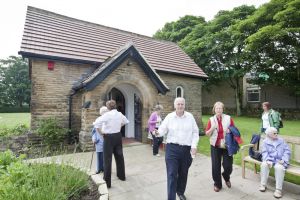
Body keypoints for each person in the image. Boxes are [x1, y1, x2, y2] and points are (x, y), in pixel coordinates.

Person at [156, 97, 199, 200]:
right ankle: (171, 198)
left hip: (186, 150)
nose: (180, 106)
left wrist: (194, 146)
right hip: (172, 149)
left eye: (182, 104)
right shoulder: (170, 117)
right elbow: (162, 129)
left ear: (184, 105)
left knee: (183, 173)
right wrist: (158, 132)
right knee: (171, 174)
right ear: (174, 105)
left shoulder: (190, 117)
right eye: (178, 104)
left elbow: (195, 132)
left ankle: (180, 192)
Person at [93, 100, 129, 188]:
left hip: (108, 137)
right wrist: (119, 127)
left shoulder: (107, 115)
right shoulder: (120, 114)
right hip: (118, 136)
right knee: (119, 156)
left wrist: (101, 133)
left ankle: (107, 182)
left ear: (108, 107)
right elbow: (126, 121)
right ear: (115, 106)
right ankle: (121, 176)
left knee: (107, 159)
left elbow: (96, 124)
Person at [205, 101, 235, 192]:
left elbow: (234, 129)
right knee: (215, 166)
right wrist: (212, 128)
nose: (218, 110)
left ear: (223, 109)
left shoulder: (228, 118)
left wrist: (231, 130)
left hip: (227, 145)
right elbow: (207, 134)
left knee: (228, 166)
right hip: (215, 145)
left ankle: (226, 176)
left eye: (220, 108)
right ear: (214, 110)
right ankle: (217, 184)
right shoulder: (211, 119)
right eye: (217, 108)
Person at [259, 127, 291, 198]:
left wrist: (284, 160)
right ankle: (263, 185)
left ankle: (278, 190)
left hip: (280, 160)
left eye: (277, 133)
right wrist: (267, 160)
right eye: (274, 133)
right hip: (270, 159)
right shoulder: (265, 142)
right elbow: (264, 153)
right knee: (264, 164)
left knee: (279, 167)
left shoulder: (281, 140)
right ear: (268, 134)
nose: (276, 134)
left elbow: (287, 151)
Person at [91, 106, 108, 174]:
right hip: (99, 140)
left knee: (106, 156)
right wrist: (94, 139)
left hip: (107, 140)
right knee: (99, 155)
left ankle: (104, 168)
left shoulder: (108, 120)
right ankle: (99, 168)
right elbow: (93, 131)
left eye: (106, 112)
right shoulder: (98, 119)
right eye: (104, 112)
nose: (105, 113)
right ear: (101, 113)